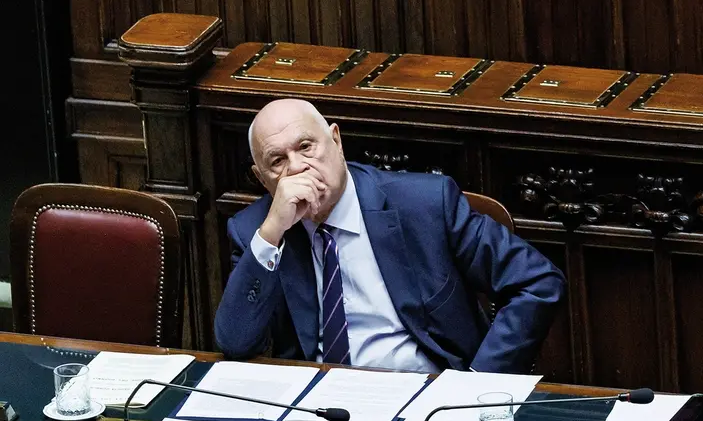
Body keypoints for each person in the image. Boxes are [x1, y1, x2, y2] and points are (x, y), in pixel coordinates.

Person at [214, 99, 565, 374]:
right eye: (277, 161)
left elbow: (537, 282)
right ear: (262, 179)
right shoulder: (255, 232)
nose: (296, 168)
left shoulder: (425, 205)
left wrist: (479, 384)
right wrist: (272, 233)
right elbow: (235, 343)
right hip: (323, 412)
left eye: (306, 147)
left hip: (428, 396)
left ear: (336, 141)